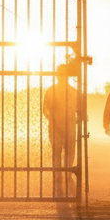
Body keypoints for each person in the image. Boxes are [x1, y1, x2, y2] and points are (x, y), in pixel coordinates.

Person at [42, 63, 79, 196]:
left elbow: (79, 109)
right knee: (57, 151)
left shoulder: (73, 91)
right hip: (57, 125)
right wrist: (53, 120)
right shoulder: (53, 90)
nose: (62, 76)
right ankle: (59, 176)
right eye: (60, 74)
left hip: (67, 124)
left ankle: (66, 174)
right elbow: (45, 109)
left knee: (68, 151)